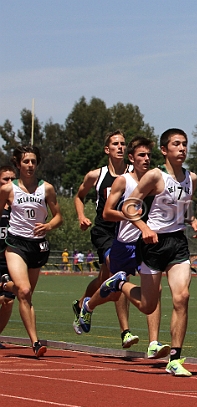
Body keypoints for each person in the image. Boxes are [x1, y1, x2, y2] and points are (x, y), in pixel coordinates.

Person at [96, 128, 197, 377]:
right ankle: (120, 283)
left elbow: (184, 207)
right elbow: (130, 204)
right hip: (153, 243)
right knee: (147, 305)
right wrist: (143, 227)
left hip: (177, 242)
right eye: (176, 144)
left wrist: (193, 220)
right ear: (164, 150)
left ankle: (175, 358)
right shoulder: (155, 176)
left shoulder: (191, 178)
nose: (182, 148)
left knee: (182, 296)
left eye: (185, 144)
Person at [75, 137, 170, 360]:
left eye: (149, 156)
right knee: (115, 290)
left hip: (145, 244)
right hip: (124, 244)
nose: (146, 160)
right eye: (141, 156)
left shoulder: (156, 181)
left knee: (157, 290)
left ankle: (153, 343)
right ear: (132, 159)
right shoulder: (122, 181)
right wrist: (131, 216)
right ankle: (88, 306)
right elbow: (107, 213)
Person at [72, 130, 139, 349]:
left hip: (127, 230)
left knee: (104, 280)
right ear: (107, 149)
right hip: (104, 231)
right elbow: (79, 196)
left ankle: (83, 304)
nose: (120, 147)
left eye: (123, 144)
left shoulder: (135, 173)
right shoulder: (96, 175)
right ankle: (125, 332)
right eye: (115, 144)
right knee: (118, 274)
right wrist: (82, 216)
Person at [0, 146, 62, 357]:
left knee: (26, 295)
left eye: (33, 161)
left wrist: (49, 226)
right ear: (18, 164)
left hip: (38, 246)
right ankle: (35, 343)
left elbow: (58, 216)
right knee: (24, 291)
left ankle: (4, 284)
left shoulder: (47, 189)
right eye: (26, 161)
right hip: (16, 245)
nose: (30, 165)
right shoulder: (8, 189)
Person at [0, 166, 17, 343]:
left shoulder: (18, 208)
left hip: (12, 259)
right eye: (5, 179)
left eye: (13, 178)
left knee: (8, 301)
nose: (10, 183)